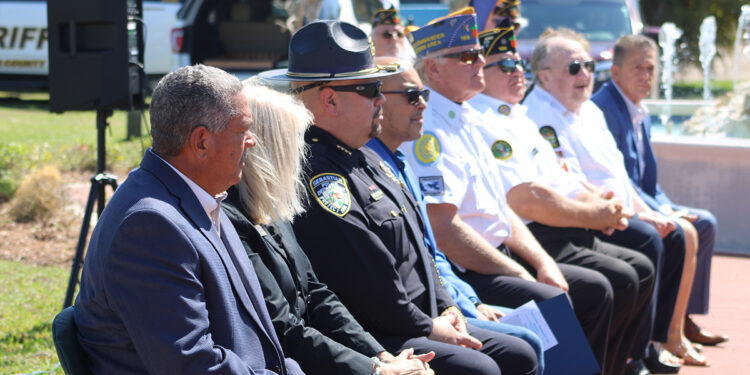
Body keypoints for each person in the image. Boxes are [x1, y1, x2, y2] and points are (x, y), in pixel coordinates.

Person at [264, 19, 539, 375]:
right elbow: (370, 283)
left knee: (522, 351)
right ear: (330, 100)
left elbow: (423, 249)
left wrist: (448, 308)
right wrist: (430, 326)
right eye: (369, 89)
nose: (381, 99)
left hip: (422, 318)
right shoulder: (320, 175)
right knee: (485, 368)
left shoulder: (367, 155)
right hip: (384, 335)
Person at [400, 8, 616, 373]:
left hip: (494, 254)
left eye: (479, 54)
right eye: (466, 56)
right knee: (554, 300)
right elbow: (445, 230)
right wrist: (521, 274)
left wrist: (542, 262)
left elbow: (500, 209)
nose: (480, 61)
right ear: (433, 70)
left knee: (588, 290)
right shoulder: (430, 131)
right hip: (465, 269)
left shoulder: (466, 117)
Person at [473, 24, 686, 375]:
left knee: (640, 269)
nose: (517, 74)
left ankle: (616, 364)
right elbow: (526, 199)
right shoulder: (487, 121)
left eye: (519, 65)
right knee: (610, 283)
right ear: (483, 74)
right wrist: (593, 214)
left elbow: (561, 176)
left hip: (553, 227)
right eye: (507, 66)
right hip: (528, 236)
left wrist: (602, 206)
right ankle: (594, 366)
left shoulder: (516, 117)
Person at [73, 65, 304, 374]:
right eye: (242, 131)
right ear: (201, 142)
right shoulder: (149, 226)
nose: (252, 141)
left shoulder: (198, 197)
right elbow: (192, 364)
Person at [222, 82, 434, 375]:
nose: (302, 153)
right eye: (294, 141)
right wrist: (376, 370)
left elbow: (317, 294)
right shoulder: (231, 217)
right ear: (269, 147)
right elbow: (283, 327)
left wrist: (382, 356)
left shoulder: (273, 206)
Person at [367, 55, 547, 374]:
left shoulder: (399, 162)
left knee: (533, 336)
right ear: (377, 102)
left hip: (446, 296)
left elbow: (431, 253)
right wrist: (453, 310)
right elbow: (437, 239)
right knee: (518, 348)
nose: (422, 104)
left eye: (423, 95)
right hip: (415, 315)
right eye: (412, 96)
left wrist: (465, 302)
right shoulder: (377, 165)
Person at [592, 33, 727, 364]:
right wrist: (660, 213)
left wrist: (666, 206)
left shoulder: (640, 110)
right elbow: (621, 182)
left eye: (651, 69)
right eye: (638, 68)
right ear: (616, 71)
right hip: (618, 207)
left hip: (643, 201)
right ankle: (665, 335)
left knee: (704, 222)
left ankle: (684, 319)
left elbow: (648, 182)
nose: (646, 76)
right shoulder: (604, 109)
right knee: (680, 231)